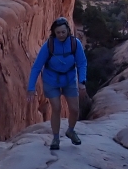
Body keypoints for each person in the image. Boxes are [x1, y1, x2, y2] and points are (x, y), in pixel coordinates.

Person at [28, 17, 88, 151]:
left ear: (68, 31)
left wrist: (82, 81)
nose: (61, 35)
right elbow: (37, 67)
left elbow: (82, 63)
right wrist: (31, 87)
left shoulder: (75, 44)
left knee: (74, 109)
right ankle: (55, 138)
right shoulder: (49, 45)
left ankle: (71, 131)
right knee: (56, 108)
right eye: (58, 32)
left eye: (63, 32)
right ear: (54, 32)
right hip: (51, 80)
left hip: (69, 80)